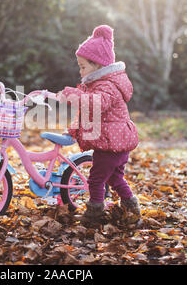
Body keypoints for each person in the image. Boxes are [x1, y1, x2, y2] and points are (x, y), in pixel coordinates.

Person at [58, 25, 140, 224]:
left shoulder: (106, 85)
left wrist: (72, 94)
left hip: (111, 145)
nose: (80, 70)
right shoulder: (101, 83)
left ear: (98, 66)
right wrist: (74, 129)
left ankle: (95, 213)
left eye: (83, 66)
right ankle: (131, 205)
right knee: (115, 179)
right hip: (116, 144)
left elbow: (96, 104)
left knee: (95, 180)